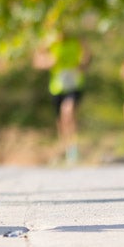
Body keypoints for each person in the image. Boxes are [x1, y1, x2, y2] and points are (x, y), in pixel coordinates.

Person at [33, 29, 91, 164]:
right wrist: (48, 62)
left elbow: (87, 57)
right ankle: (66, 149)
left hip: (75, 85)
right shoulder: (50, 42)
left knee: (68, 112)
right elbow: (37, 61)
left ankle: (74, 149)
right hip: (57, 87)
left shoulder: (76, 40)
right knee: (61, 120)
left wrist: (82, 64)